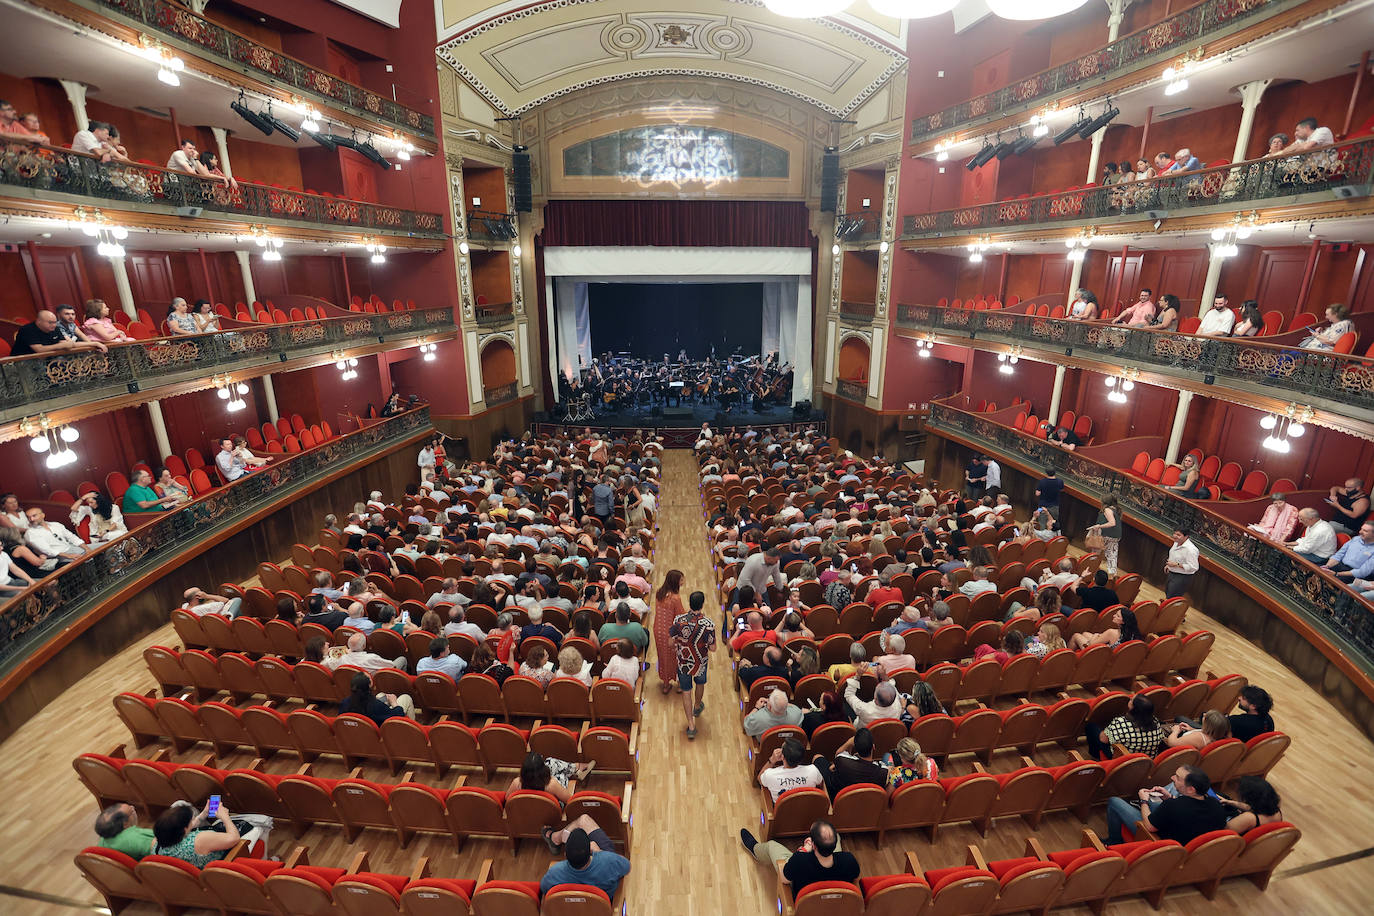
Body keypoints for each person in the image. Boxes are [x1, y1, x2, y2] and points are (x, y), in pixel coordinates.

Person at [739, 819, 859, 901]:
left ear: (814, 846)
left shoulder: (800, 860)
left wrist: (804, 850)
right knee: (836, 835)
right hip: (837, 903)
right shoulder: (849, 860)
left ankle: (756, 850)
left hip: (804, 901)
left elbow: (784, 879)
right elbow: (855, 876)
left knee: (771, 845)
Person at [1106, 764, 1223, 845]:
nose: (1172, 778)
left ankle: (1114, 841)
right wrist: (1169, 797)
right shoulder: (1215, 804)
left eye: (1177, 778)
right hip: (1187, 843)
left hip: (1159, 842)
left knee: (1114, 802)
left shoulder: (1174, 805)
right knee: (1154, 800)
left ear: (1191, 789)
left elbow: (1150, 827)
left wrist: (1143, 801)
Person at [152, 800, 258, 867]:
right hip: (223, 866)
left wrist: (203, 815)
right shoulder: (199, 840)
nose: (193, 819)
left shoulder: (156, 843)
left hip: (195, 877)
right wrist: (225, 816)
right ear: (184, 830)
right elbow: (234, 838)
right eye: (191, 820)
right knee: (260, 824)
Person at [669, 590, 716, 739]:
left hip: (683, 662)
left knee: (686, 691)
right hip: (700, 662)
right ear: (702, 604)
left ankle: (691, 725)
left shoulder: (678, 620)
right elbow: (713, 648)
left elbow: (671, 642)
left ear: (689, 603)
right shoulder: (708, 625)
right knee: (700, 683)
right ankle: (697, 706)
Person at [538, 826, 630, 898]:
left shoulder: (554, 872)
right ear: (590, 851)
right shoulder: (609, 861)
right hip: (601, 907)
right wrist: (600, 854)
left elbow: (544, 888)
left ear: (565, 855)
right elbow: (626, 866)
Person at [811, 728, 887, 797]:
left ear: (855, 747)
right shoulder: (883, 772)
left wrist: (849, 742)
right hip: (864, 800)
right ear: (873, 747)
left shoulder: (842, 761)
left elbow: (838, 754)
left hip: (837, 794)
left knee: (817, 757)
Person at [1087, 693, 1164, 760]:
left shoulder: (1121, 722)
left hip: (1122, 759)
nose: (1130, 699)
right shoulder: (1155, 721)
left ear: (1132, 707)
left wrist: (1108, 730)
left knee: (1091, 727)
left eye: (1131, 700)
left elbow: (1103, 739)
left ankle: (1095, 755)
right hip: (1146, 761)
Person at [514, 750, 595, 807]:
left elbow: (508, 799)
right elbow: (569, 800)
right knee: (561, 773)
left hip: (528, 809)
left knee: (551, 762)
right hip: (551, 810)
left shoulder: (517, 783)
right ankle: (577, 768)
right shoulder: (552, 784)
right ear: (543, 769)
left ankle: (576, 768)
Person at [756, 737, 825, 801]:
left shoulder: (770, 775)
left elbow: (759, 779)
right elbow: (820, 783)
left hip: (782, 812)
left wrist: (772, 760)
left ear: (782, 757)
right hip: (807, 809)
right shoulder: (813, 770)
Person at [10, 309, 102, 355]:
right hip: (23, 363)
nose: (54, 325)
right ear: (38, 321)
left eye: (54, 322)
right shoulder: (27, 330)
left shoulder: (54, 328)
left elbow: (69, 345)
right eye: (50, 323)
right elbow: (39, 349)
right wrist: (62, 345)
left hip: (48, 359)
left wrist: (94, 343)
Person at [339, 671, 414, 722]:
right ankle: (413, 731)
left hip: (358, 733)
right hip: (380, 731)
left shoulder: (345, 702)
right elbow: (398, 715)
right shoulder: (375, 706)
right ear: (369, 685)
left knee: (380, 695)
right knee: (406, 697)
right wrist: (394, 703)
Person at [1086, 495, 1122, 576]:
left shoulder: (1107, 510)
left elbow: (1112, 523)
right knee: (1112, 556)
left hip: (1106, 534)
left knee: (1095, 553)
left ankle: (1090, 572)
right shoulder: (1116, 510)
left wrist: (1098, 526)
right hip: (1115, 536)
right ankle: (1113, 577)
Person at [1165, 709, 1230, 749]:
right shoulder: (1215, 735)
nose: (1204, 714)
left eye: (1205, 716)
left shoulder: (1197, 737)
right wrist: (1191, 729)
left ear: (1208, 725)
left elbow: (1171, 743)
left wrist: (1175, 731)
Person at [1163, 529, 1200, 599]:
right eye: (1175, 534)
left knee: (1171, 597)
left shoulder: (1191, 550)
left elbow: (1194, 567)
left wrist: (1176, 564)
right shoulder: (1176, 543)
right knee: (1167, 593)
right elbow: (1174, 555)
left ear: (1186, 537)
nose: (1175, 536)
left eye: (1178, 535)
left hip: (1182, 577)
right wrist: (1169, 565)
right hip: (1172, 573)